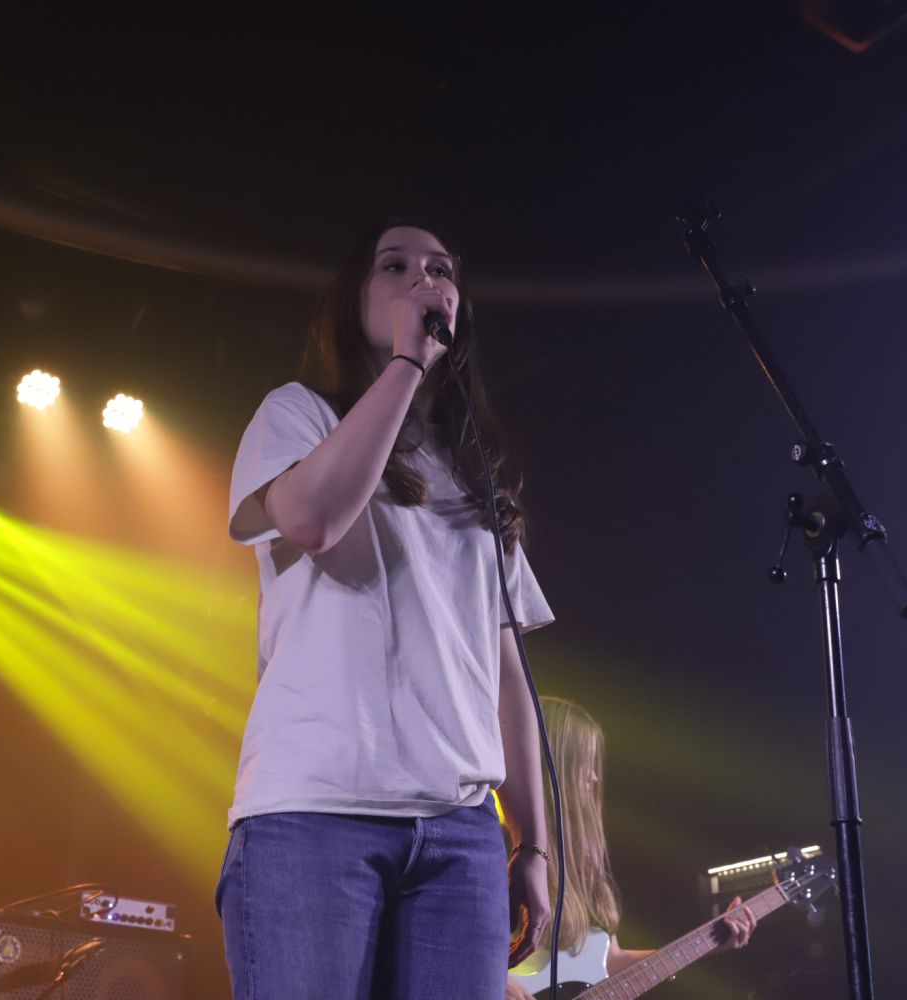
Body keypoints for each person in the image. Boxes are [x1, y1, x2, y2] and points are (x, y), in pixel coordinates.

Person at [218, 223, 554, 999]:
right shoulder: (297, 414)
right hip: (315, 813)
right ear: (351, 303)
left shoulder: (472, 471)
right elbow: (313, 521)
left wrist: (533, 845)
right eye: (394, 266)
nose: (422, 280)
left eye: (440, 269)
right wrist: (406, 362)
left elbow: (506, 673)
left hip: (461, 832)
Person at [507, 697, 757, 1000]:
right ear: (558, 765)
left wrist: (710, 944)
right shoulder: (508, 848)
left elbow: (608, 963)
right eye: (586, 762)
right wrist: (499, 983)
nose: (594, 777)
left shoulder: (581, 863)